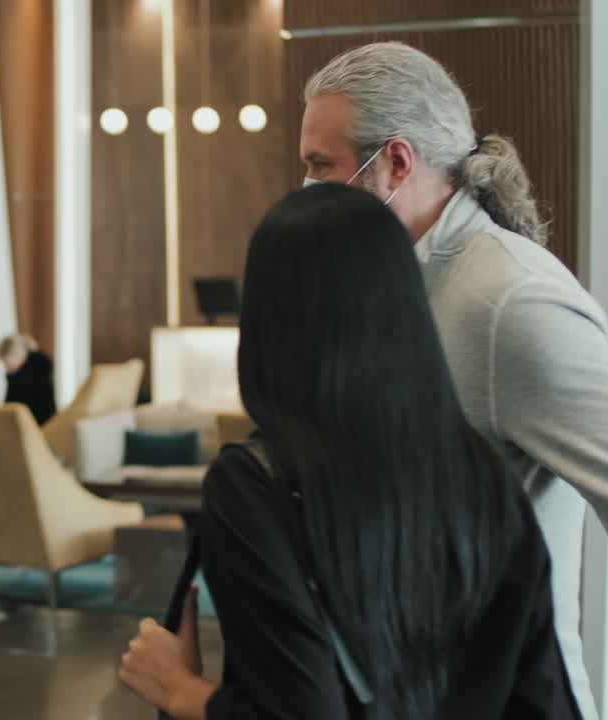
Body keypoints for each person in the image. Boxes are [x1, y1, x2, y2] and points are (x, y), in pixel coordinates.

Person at [121, 184, 581, 719]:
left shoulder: (255, 485)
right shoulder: (483, 477)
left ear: (270, 320)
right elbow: (545, 698)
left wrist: (180, 690)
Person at [287, 41, 608, 718]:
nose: (308, 190)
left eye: (321, 167)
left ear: (396, 163)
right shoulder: (397, 280)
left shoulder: (509, 301)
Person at [0, 333, 56, 425]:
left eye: (6, 362)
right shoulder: (26, 370)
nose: (6, 367)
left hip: (38, 423)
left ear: (16, 354)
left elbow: (15, 403)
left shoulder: (34, 371)